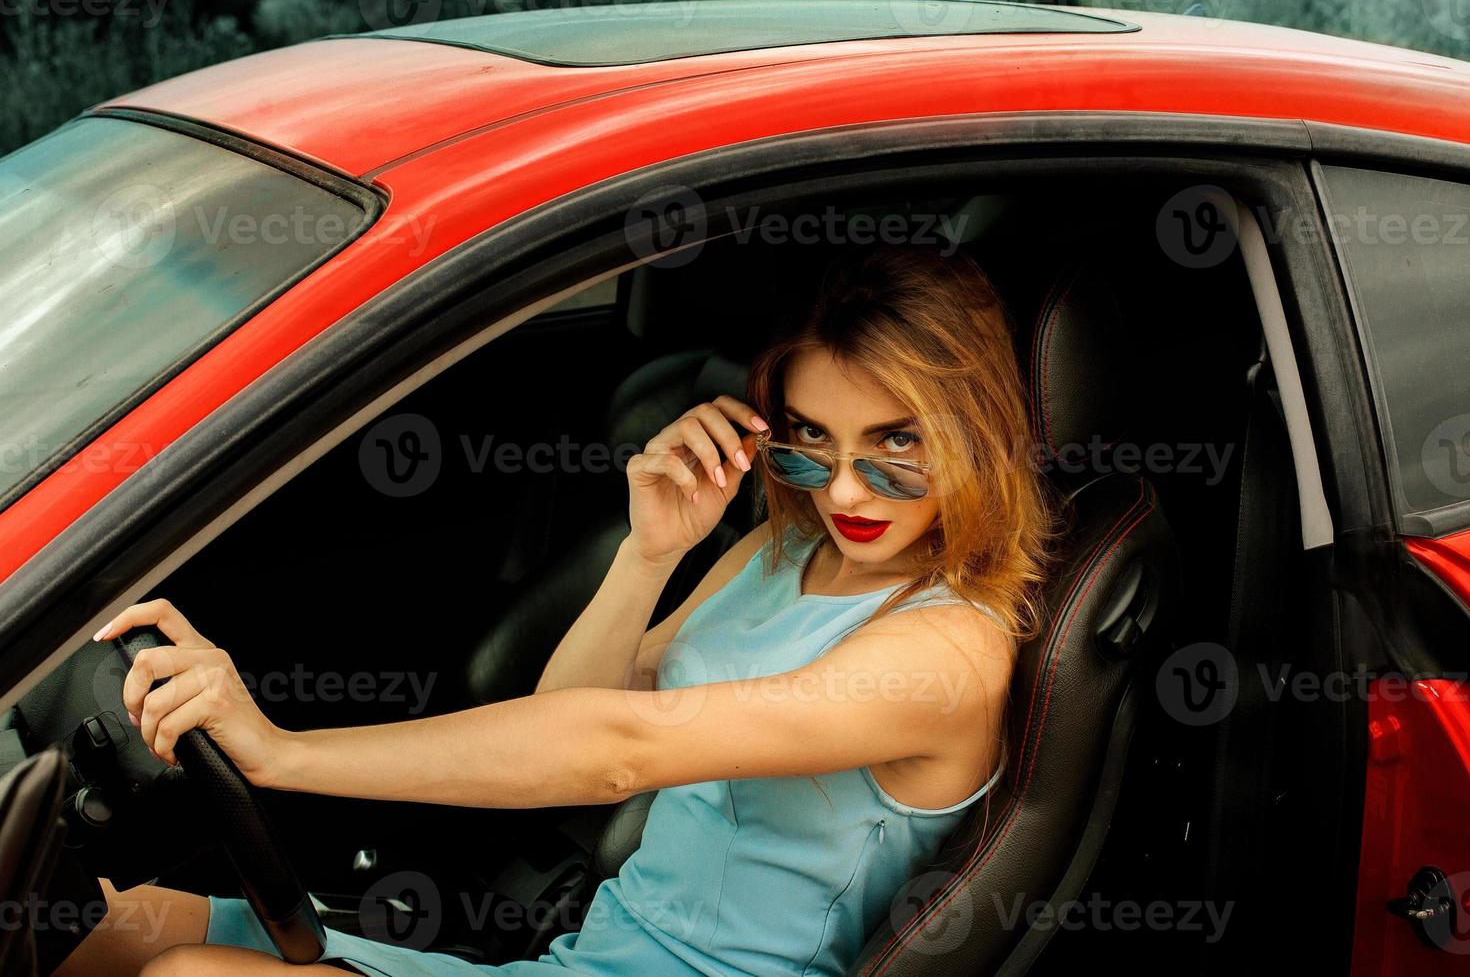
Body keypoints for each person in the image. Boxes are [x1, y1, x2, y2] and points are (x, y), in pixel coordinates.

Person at [54, 242, 1061, 977]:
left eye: (895, 445)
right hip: (590, 957)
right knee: (114, 924)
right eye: (808, 442)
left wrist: (282, 751)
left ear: (973, 433)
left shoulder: (948, 649)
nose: (844, 493)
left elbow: (620, 746)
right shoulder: (782, 545)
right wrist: (649, 551)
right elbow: (578, 718)